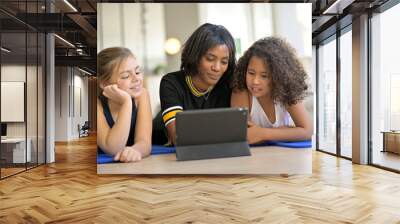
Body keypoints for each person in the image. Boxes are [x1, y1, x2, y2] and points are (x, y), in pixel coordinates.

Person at [153, 23, 236, 145]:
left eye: (224, 62)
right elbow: (179, 137)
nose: (217, 68)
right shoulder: (171, 83)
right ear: (195, 56)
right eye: (210, 59)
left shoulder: (229, 83)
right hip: (162, 146)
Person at [231, 37, 313, 144]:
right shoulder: (241, 91)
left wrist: (262, 133)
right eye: (251, 73)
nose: (255, 81)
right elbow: (246, 136)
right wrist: (286, 132)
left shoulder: (286, 91)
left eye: (264, 76)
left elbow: (308, 131)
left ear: (278, 77)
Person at [97, 47, 152, 162]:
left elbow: (145, 142)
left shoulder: (142, 95)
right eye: (126, 76)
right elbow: (112, 148)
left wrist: (136, 150)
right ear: (105, 83)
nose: (136, 78)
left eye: (137, 71)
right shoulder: (96, 105)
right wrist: (126, 103)